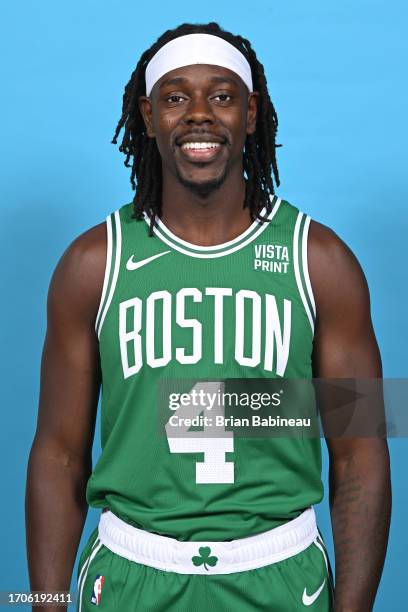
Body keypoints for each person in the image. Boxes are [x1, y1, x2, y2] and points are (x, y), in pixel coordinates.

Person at [26, 21, 391, 612]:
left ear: (252, 114)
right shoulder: (92, 264)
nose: (200, 113)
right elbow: (58, 453)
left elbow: (363, 448)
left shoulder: (320, 261)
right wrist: (43, 603)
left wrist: (211, 405)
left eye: (222, 96)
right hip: (129, 575)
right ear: (147, 117)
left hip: (280, 574)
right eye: (176, 98)